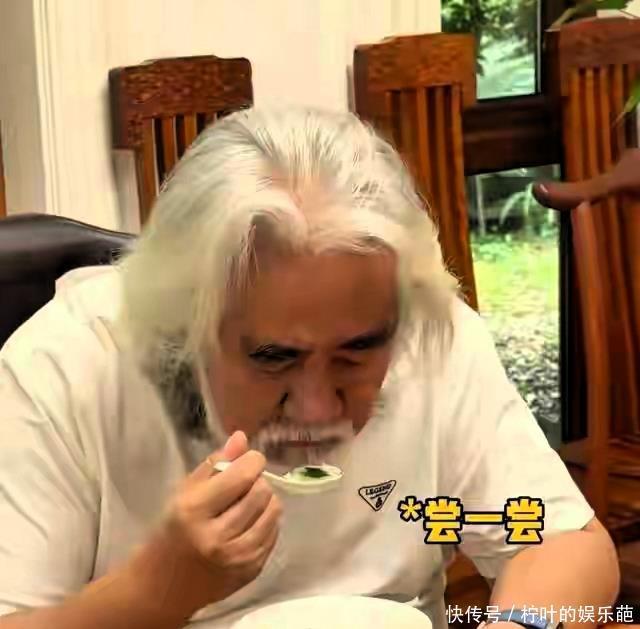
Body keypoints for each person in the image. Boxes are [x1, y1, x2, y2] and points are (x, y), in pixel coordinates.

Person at [0, 108, 619, 629]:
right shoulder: (67, 366)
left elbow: (567, 543)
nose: (319, 408)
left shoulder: (431, 331)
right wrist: (156, 589)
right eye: (274, 358)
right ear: (181, 326)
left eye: (359, 351)